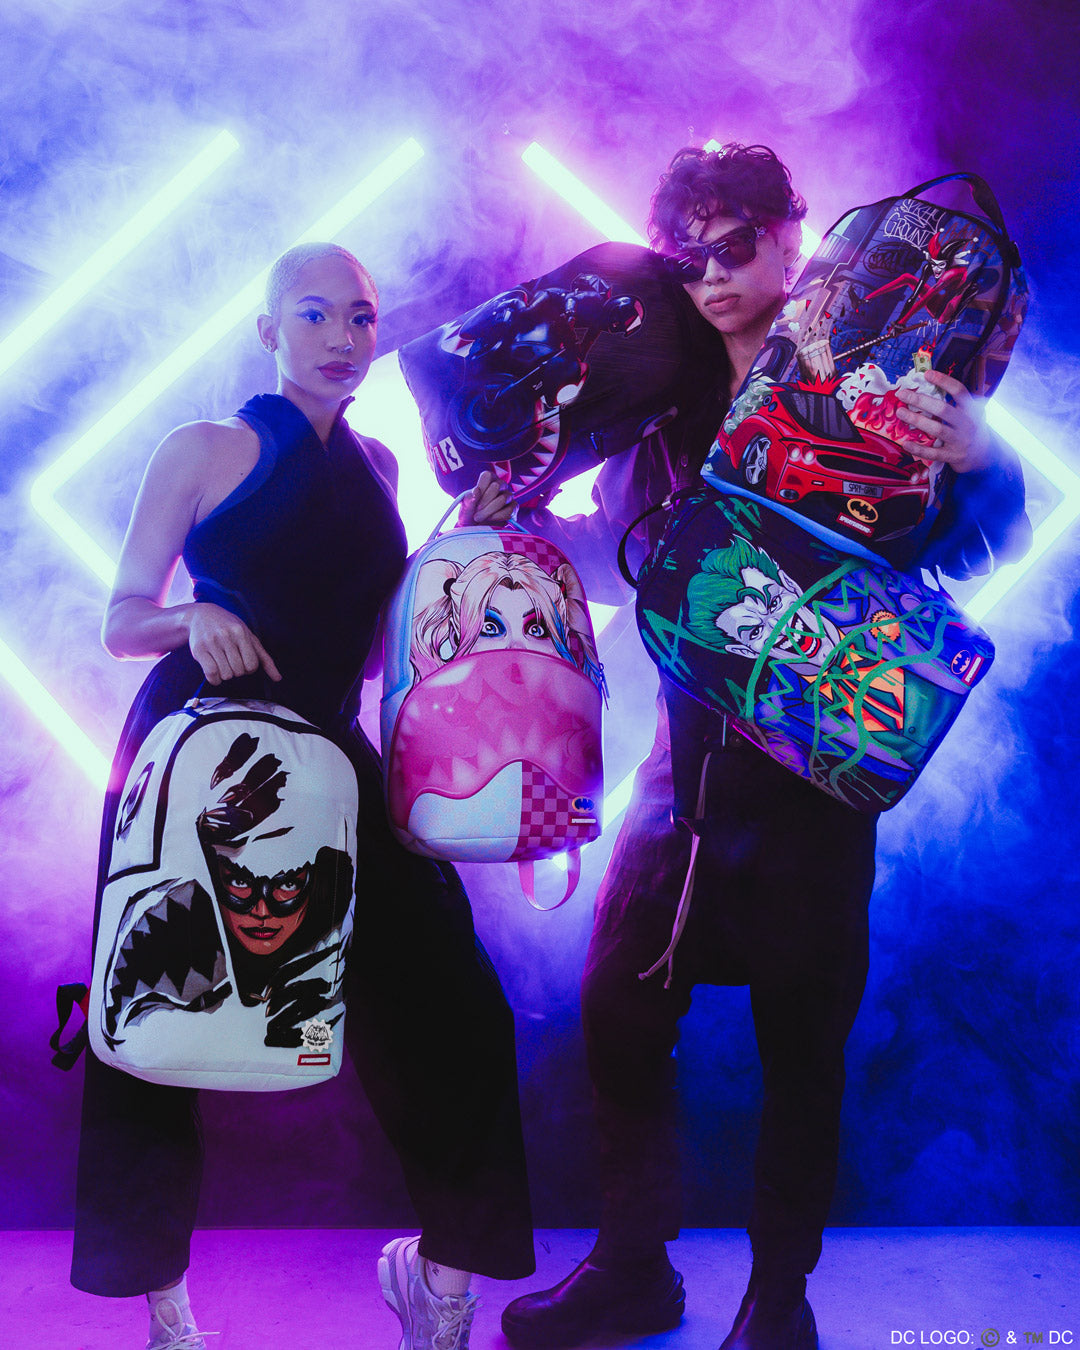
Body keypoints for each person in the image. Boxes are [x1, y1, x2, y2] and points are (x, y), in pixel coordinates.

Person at [500, 145, 1029, 1350]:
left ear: (796, 241)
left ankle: (778, 1303)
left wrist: (981, 454)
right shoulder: (661, 397)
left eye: (737, 243)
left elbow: (977, 547)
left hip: (815, 780)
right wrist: (522, 507)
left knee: (803, 1044)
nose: (712, 272)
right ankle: (634, 1270)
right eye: (688, 252)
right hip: (681, 775)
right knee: (618, 1013)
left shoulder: (883, 375)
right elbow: (626, 568)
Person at [70, 241, 533, 1350]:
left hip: (331, 752)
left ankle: (443, 1290)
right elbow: (123, 619)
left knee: (454, 1005)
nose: (343, 337)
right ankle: (165, 1309)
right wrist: (192, 617)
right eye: (316, 313)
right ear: (268, 329)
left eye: (362, 317)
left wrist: (455, 545)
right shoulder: (203, 446)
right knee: (153, 1009)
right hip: (197, 753)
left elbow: (370, 651)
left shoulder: (380, 464)